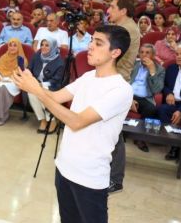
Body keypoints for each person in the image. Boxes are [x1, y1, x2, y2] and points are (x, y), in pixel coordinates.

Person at [12, 25, 133, 223]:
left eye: (98, 43)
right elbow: (55, 97)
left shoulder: (120, 89)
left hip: (90, 176)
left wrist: (36, 90)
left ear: (115, 52)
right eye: (91, 41)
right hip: (65, 167)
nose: (90, 46)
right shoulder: (87, 77)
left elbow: (76, 121)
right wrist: (33, 83)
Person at [105, 0, 140, 194]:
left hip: (116, 82)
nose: (108, 10)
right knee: (107, 129)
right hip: (112, 80)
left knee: (114, 131)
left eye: (112, 6)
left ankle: (116, 179)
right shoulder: (122, 27)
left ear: (123, 10)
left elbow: (111, 55)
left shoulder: (128, 30)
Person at [128, 44, 165, 152]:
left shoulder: (160, 69)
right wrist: (129, 99)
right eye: (142, 52)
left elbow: (157, 90)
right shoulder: (133, 64)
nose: (144, 55)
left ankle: (139, 138)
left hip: (144, 98)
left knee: (151, 109)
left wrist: (152, 71)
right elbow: (123, 80)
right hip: (127, 94)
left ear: (153, 55)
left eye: (147, 53)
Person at [27, 38, 65, 134]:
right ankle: (42, 119)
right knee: (31, 92)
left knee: (41, 91)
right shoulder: (37, 56)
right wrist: (28, 76)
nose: (43, 47)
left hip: (52, 86)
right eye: (42, 45)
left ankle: (52, 120)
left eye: (47, 45)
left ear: (53, 47)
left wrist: (41, 85)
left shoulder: (59, 62)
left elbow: (56, 80)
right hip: (36, 83)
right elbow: (29, 69)